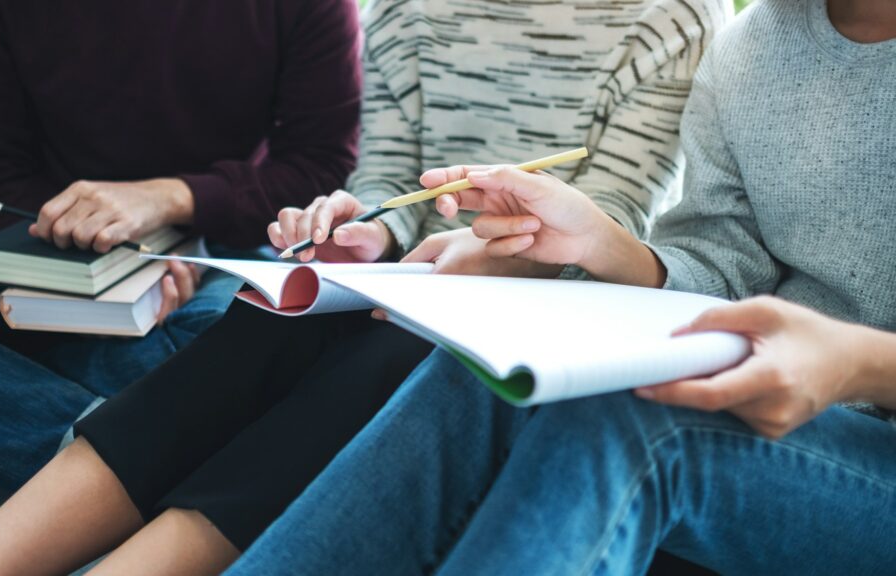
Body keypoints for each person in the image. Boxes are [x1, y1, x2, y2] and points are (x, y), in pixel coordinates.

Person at [0, 0, 729, 574]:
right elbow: (384, 178)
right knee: (275, 312)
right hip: (422, 273)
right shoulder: (410, 14)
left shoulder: (671, 19)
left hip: (558, 290)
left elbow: (621, 215)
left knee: (386, 353)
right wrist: (368, 230)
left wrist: (497, 251)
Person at [223, 1, 896, 574]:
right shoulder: (751, 47)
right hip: (781, 393)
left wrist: (856, 364)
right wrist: (602, 244)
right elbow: (725, 263)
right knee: (492, 368)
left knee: (638, 423)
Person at [0, 0, 361, 486]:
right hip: (46, 253)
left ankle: (47, 404)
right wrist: (105, 253)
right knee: (214, 379)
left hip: (221, 247)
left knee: (247, 337)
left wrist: (171, 202)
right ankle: (110, 453)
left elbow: (317, 166)